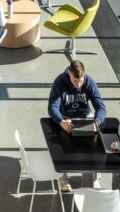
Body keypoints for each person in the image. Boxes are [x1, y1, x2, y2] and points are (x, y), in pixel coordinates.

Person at [48, 59, 107, 194]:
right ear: (69, 73)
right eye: (75, 81)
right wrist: (61, 121)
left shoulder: (89, 82)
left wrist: (96, 122)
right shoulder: (60, 82)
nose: (79, 84)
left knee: (94, 145)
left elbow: (101, 107)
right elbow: (52, 107)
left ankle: (92, 176)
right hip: (65, 118)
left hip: (85, 117)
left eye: (81, 81)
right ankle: (63, 178)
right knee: (62, 146)